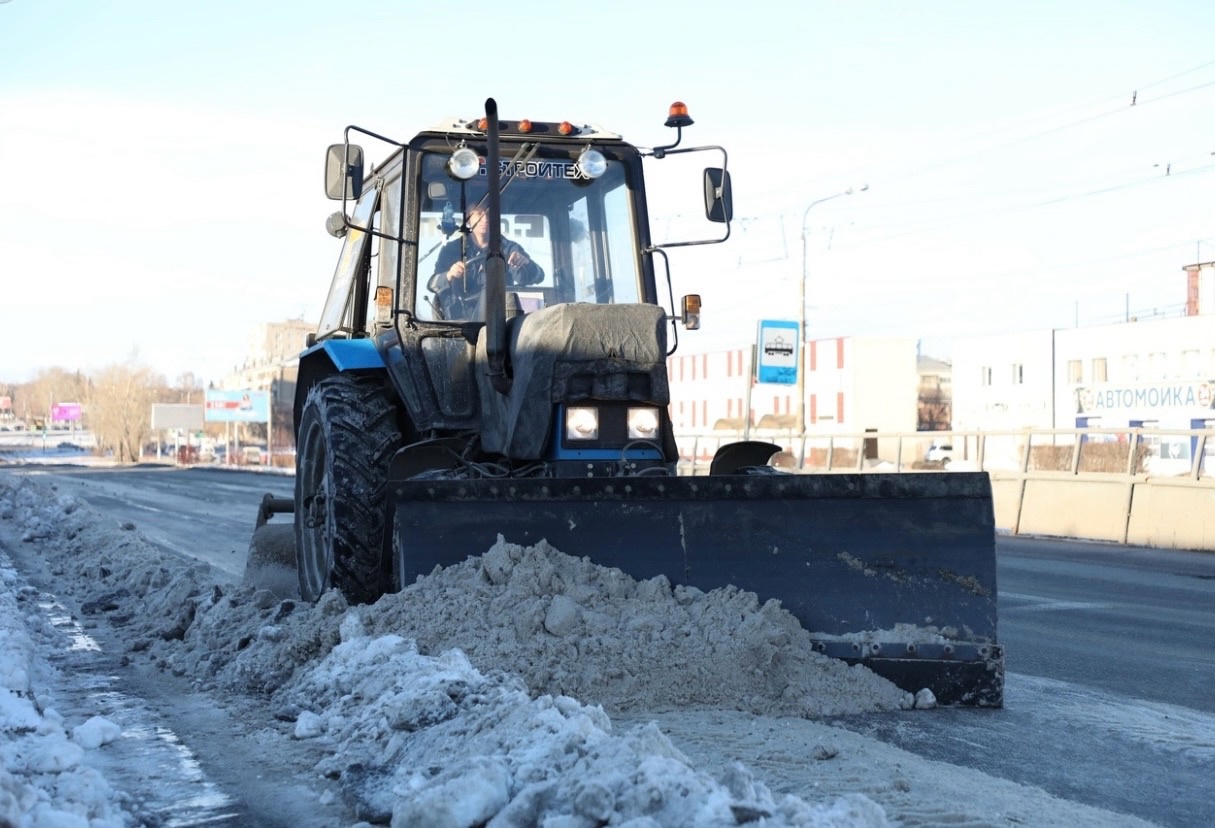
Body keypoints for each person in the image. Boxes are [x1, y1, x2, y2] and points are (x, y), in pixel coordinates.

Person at [428, 204, 544, 319]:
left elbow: (537, 277)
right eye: (479, 213)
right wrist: (449, 275)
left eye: (489, 214)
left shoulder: (509, 249)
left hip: (499, 324)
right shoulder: (451, 250)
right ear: (468, 218)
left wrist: (525, 263)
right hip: (459, 328)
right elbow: (432, 284)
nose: (485, 219)